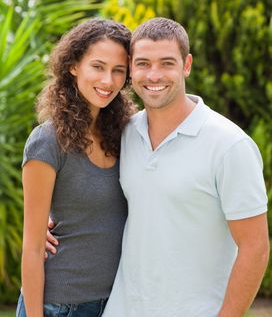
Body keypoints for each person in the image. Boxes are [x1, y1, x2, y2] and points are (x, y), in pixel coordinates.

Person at [47, 17, 269, 317]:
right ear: (131, 68)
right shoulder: (124, 134)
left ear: (186, 65)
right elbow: (96, 189)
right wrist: (49, 221)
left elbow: (255, 248)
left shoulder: (229, 146)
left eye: (166, 63)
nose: (154, 75)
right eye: (142, 63)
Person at [16, 18, 131, 317]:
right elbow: (31, 248)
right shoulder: (48, 141)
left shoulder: (125, 135)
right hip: (59, 305)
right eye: (98, 66)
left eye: (118, 70)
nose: (108, 81)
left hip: (115, 302)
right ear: (74, 66)